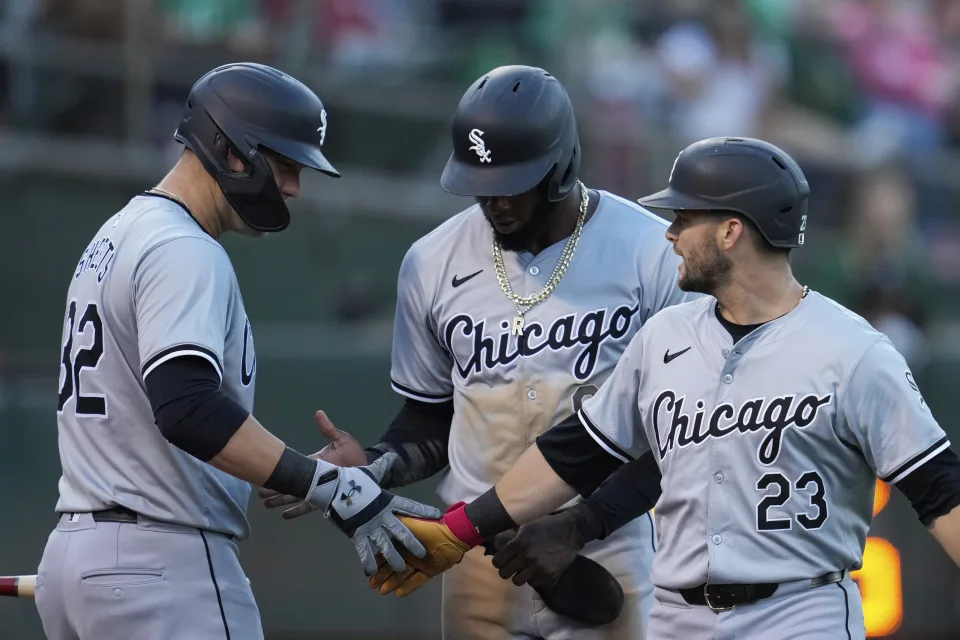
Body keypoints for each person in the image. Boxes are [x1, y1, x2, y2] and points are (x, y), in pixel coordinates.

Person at [365, 137, 960, 640]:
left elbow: (939, 492)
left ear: (731, 232)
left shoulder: (853, 352)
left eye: (684, 218)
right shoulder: (664, 338)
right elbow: (575, 452)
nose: (669, 232)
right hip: (677, 619)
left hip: (800, 612)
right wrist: (456, 532)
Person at [261, 64, 697, 639]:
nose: (493, 201)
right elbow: (433, 414)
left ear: (560, 166)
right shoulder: (432, 260)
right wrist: (378, 463)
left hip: (602, 544)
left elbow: (680, 432)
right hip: (471, 548)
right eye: (479, 183)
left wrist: (580, 526)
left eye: (511, 183)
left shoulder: (650, 251)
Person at [34, 62, 440, 640]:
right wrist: (331, 487)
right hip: (163, 566)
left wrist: (281, 466)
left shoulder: (119, 231)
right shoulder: (183, 247)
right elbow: (188, 407)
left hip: (81, 561)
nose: (295, 188)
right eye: (285, 166)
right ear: (230, 150)